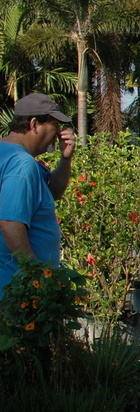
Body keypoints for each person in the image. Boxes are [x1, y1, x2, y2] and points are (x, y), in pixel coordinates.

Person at [0, 93, 74, 300]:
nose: (58, 133)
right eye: (54, 125)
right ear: (34, 124)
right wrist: (39, 276)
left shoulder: (8, 154)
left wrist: (65, 159)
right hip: (16, 293)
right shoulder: (21, 164)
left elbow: (52, 193)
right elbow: (10, 223)